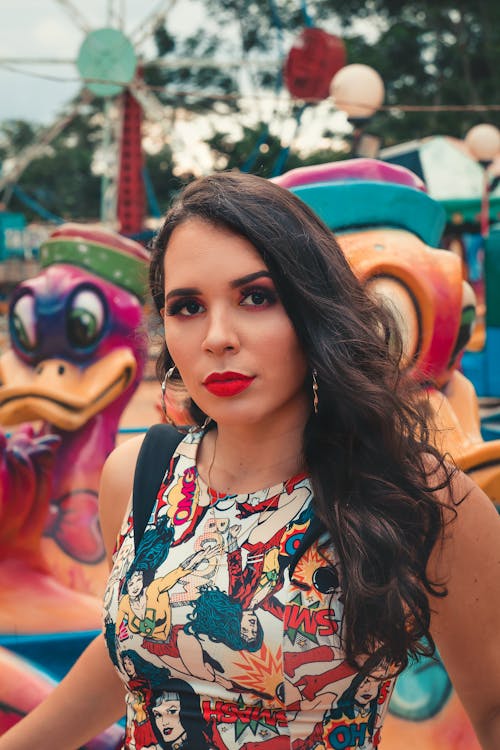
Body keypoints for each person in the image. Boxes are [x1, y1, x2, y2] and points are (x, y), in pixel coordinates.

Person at [2, 170, 500, 750]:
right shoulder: (140, 474)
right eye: (187, 307)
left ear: (315, 310)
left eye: (256, 297)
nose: (217, 336)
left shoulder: (419, 496)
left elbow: (491, 708)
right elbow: (142, 650)